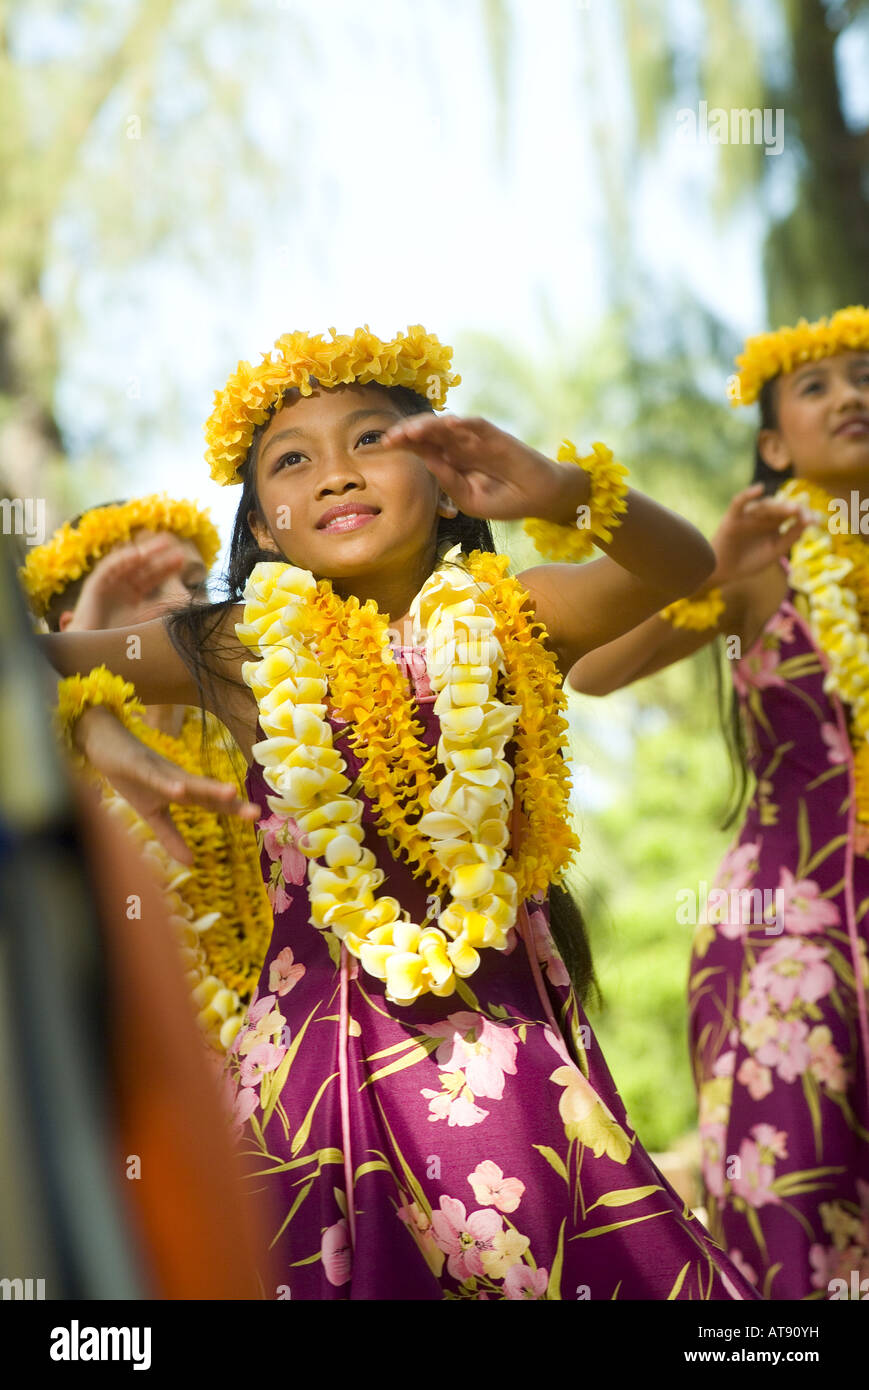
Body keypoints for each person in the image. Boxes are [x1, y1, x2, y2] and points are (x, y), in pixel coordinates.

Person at [37, 325, 757, 1300]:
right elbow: (46, 673)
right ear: (262, 532)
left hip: (506, 1047)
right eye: (291, 462)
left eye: (371, 441)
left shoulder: (514, 615)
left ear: (449, 479)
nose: (335, 474)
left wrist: (560, 492)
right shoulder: (240, 647)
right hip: (313, 1069)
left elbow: (682, 571)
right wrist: (94, 688)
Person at [568, 306, 869, 1300]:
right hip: (788, 923)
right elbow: (598, 671)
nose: (850, 396)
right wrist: (709, 563)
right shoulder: (757, 565)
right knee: (795, 1176)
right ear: (774, 443)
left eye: (862, 376)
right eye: (814, 386)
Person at [20, 496, 273, 1052]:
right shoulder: (51, 757)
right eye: (147, 588)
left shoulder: (253, 718)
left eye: (192, 580)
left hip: (285, 1042)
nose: (185, 600)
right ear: (75, 628)